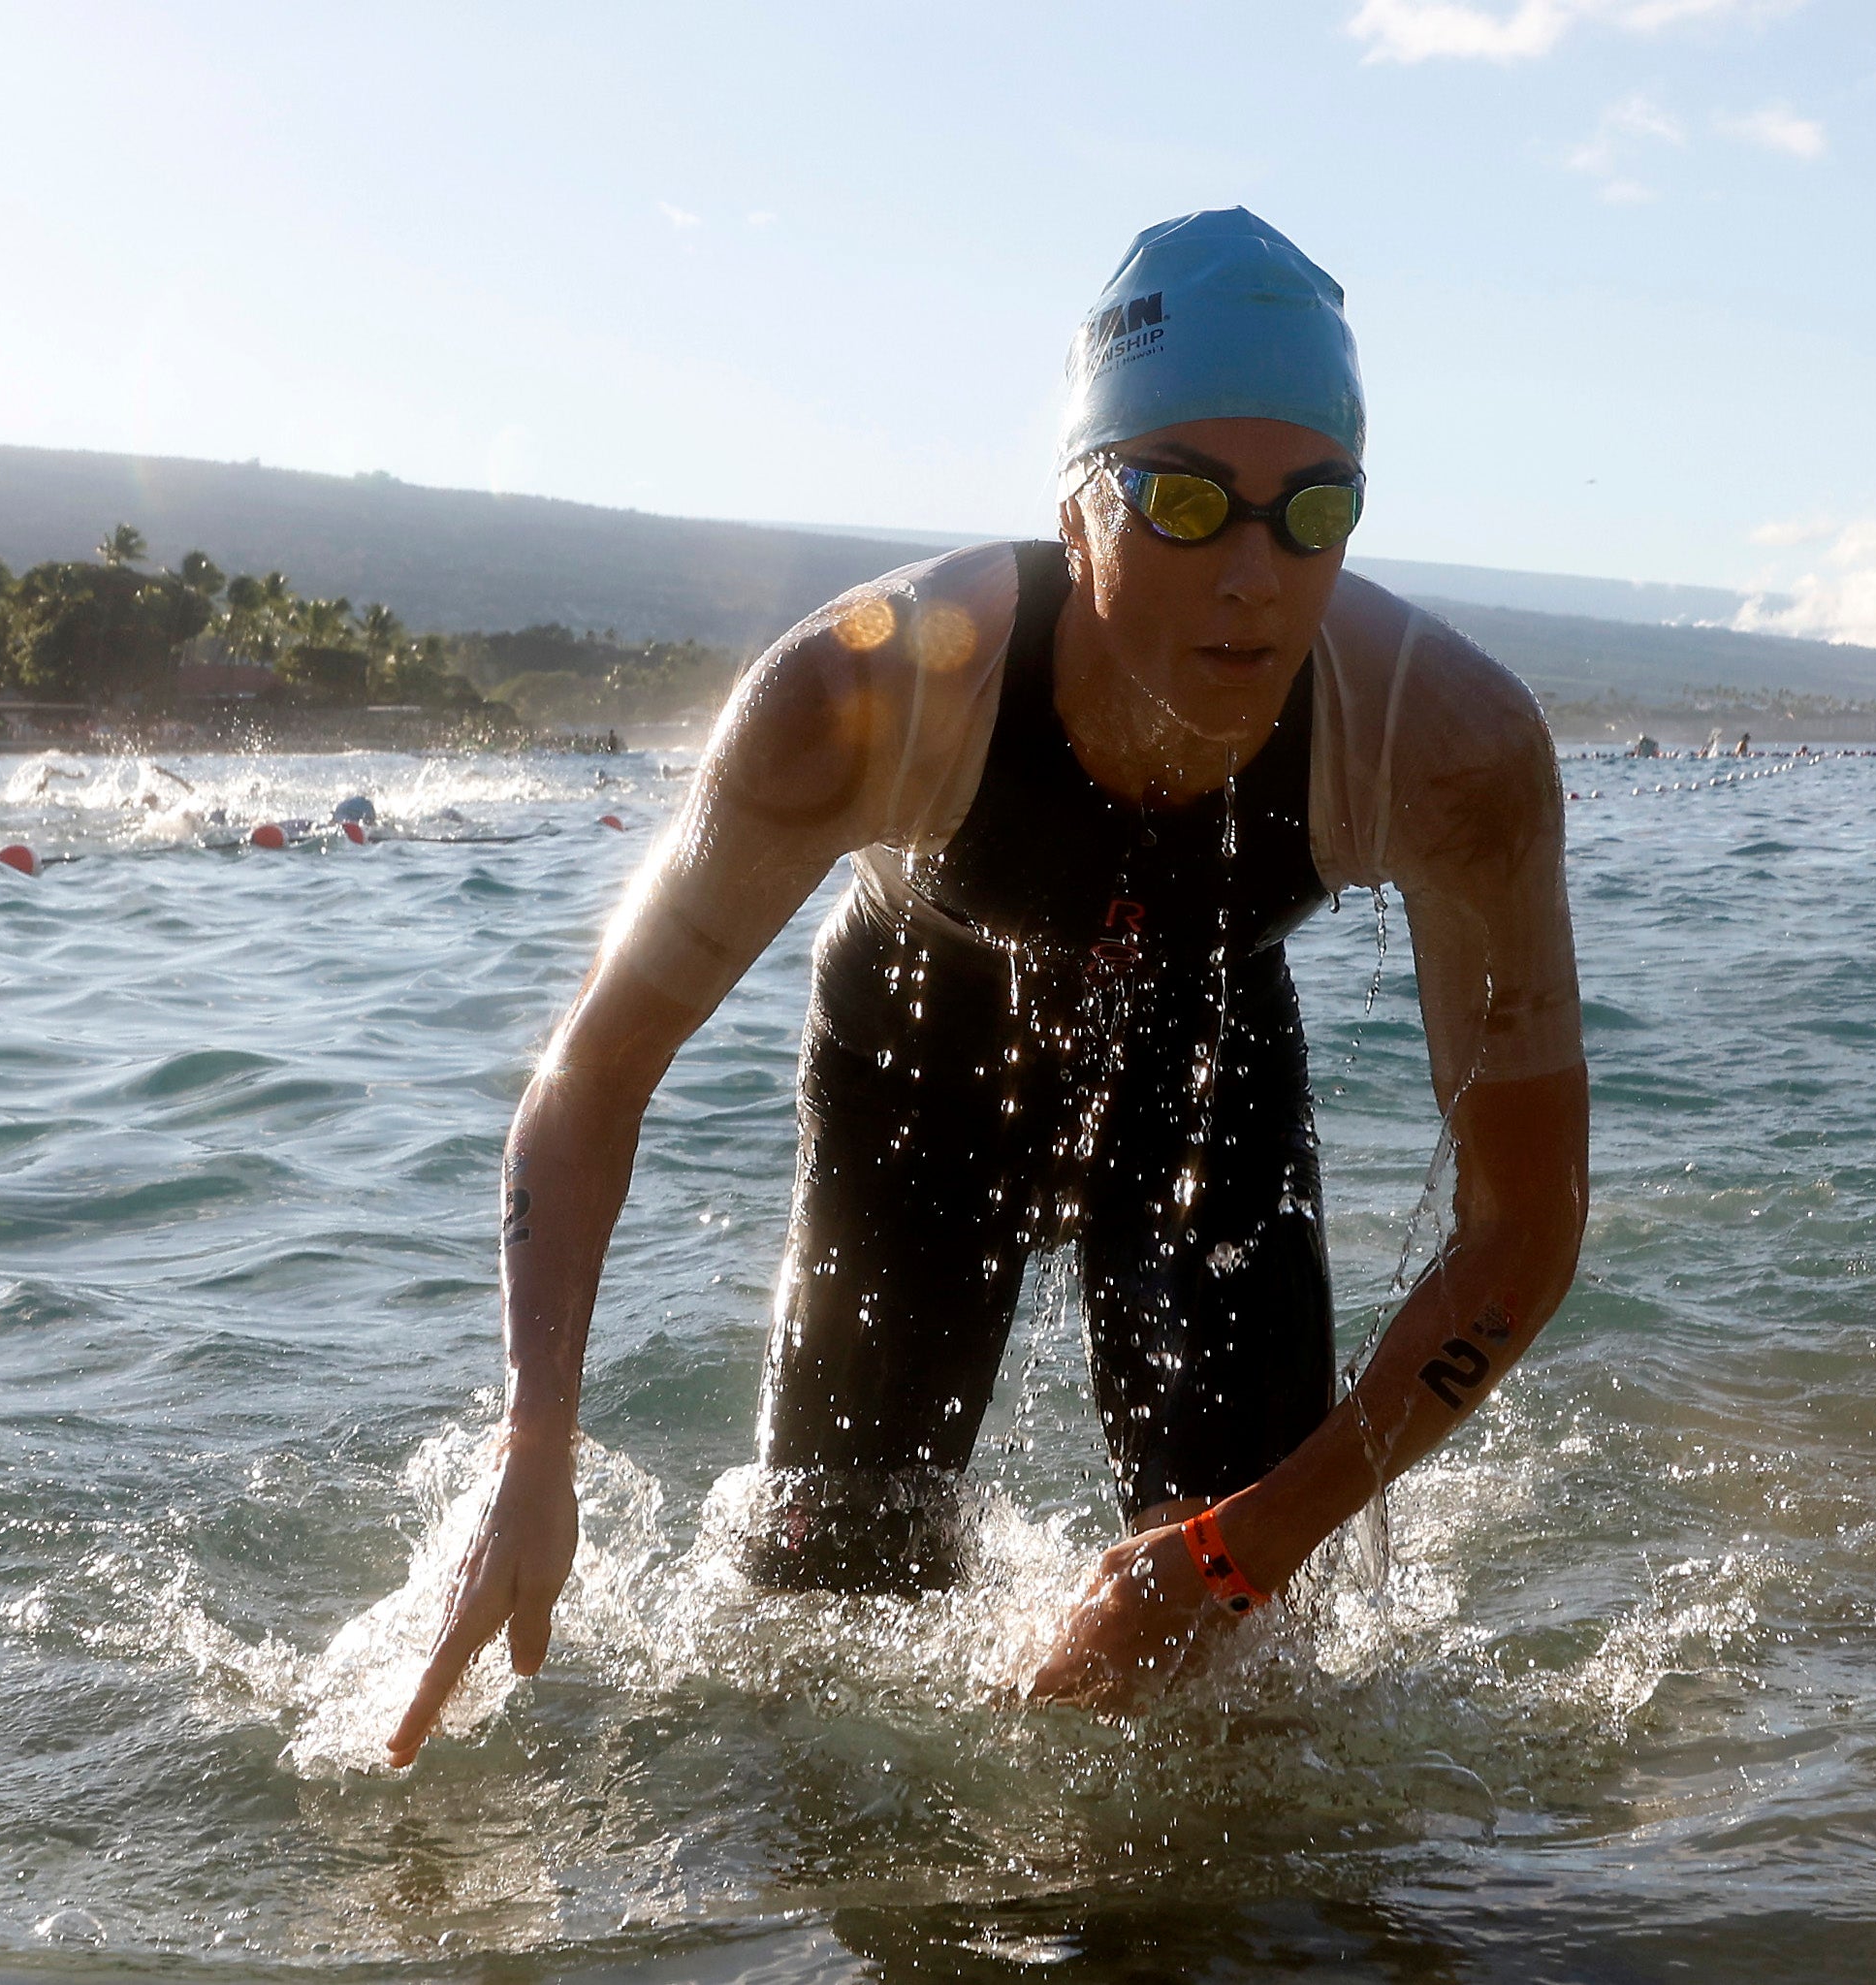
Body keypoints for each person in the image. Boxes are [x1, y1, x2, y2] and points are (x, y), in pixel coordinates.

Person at [386, 209, 1589, 1765]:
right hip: (916, 1055)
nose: (1251, 575)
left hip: (1206, 1048)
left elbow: (1527, 1229)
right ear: (1077, 513)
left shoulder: (1453, 751)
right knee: (827, 1624)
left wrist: (1232, 1552)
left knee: (1247, 1681)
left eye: (1312, 511)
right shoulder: (862, 696)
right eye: (1182, 500)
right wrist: (533, 1445)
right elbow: (591, 1077)